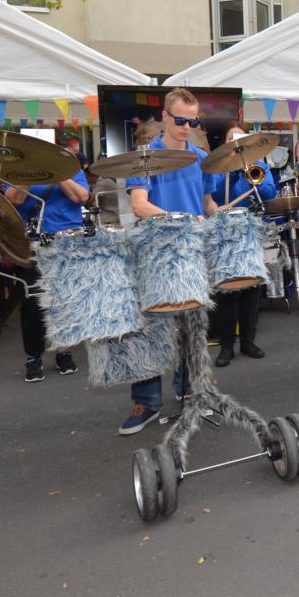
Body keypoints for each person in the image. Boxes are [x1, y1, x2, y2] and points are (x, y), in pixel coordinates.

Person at [121, 88, 216, 435]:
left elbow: (207, 204)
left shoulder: (201, 158)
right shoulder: (145, 157)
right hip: (155, 251)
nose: (187, 127)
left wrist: (222, 216)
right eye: (180, 120)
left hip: (191, 251)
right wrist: (181, 219)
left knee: (193, 326)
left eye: (193, 121)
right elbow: (139, 205)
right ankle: (146, 403)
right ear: (164, 117)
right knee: (152, 329)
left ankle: (189, 390)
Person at [4, 148, 90, 382]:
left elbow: (81, 197)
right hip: (32, 243)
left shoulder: (72, 169)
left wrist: (56, 171)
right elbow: (14, 199)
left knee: (66, 299)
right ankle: (33, 356)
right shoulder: (15, 170)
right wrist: (30, 171)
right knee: (33, 302)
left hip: (67, 242)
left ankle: (64, 350)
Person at [209, 126, 276, 367]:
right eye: (231, 139)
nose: (236, 143)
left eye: (241, 138)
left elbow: (269, 194)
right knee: (228, 291)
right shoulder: (217, 167)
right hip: (225, 234)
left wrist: (250, 172)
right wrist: (234, 173)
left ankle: (248, 341)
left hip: (250, 231)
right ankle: (227, 345)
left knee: (251, 289)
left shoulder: (259, 163)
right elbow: (214, 196)